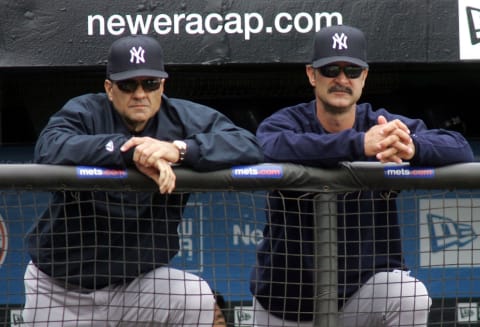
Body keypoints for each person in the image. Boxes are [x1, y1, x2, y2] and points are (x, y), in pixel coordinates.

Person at [22, 34, 263, 326]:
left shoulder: (181, 118)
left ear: (163, 85)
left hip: (136, 287)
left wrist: (179, 150)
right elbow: (49, 147)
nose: (140, 93)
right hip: (61, 289)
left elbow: (248, 144)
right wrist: (128, 150)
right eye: (128, 84)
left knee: (194, 295)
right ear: (110, 89)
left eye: (150, 83)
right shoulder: (86, 111)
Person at [249, 24, 475, 327]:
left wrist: (411, 147)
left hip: (360, 296)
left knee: (409, 295)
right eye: (330, 69)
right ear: (311, 75)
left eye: (352, 71)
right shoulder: (289, 122)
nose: (341, 79)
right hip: (284, 302)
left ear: (364, 77)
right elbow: (269, 145)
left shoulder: (381, 123)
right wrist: (359, 144)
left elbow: (459, 148)